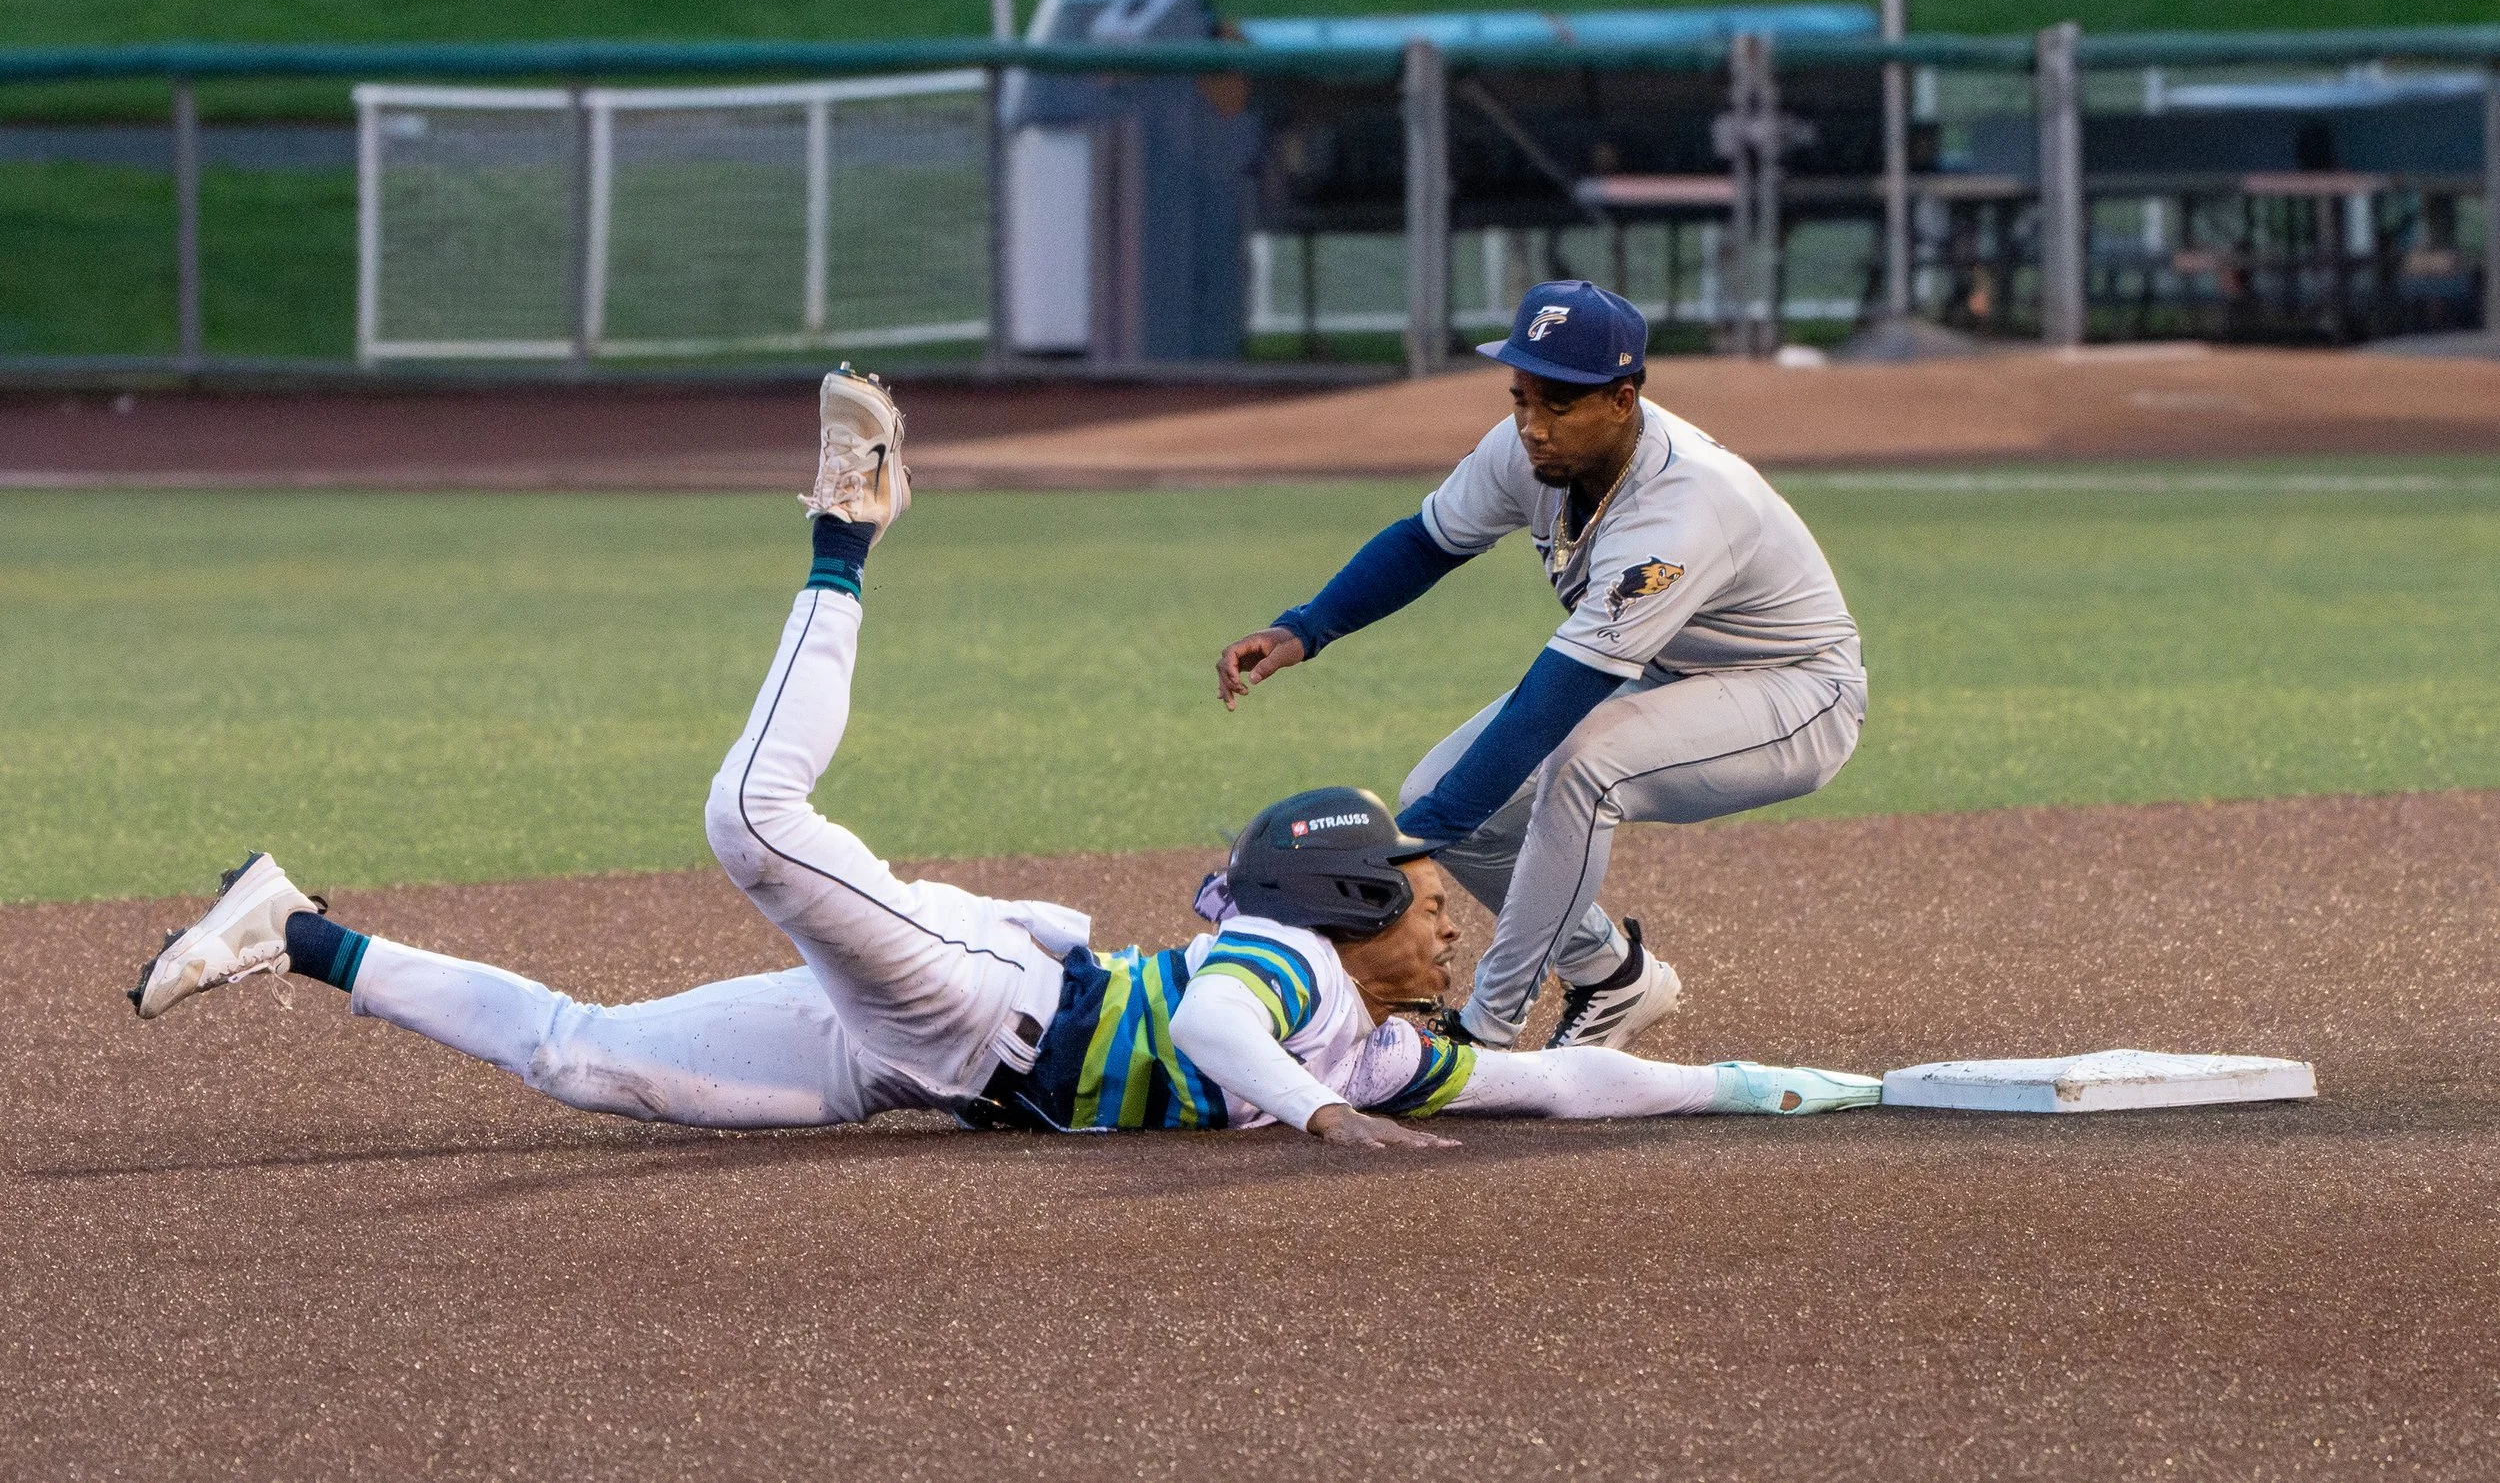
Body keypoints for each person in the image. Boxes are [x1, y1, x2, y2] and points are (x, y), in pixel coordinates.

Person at [130, 367, 1880, 1146]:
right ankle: (848, 530)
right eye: (1422, 906)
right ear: (1338, 907)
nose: (1442, 931)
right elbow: (1207, 1028)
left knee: (588, 1069)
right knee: (750, 818)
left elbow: (1567, 1088)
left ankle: (293, 930)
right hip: (977, 1005)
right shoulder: (1280, 976)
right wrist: (1305, 1121)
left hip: (928, 1063)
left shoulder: (1375, 1048)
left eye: (1446, 919)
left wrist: (1762, 1090)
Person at [1216, 281, 1866, 1055]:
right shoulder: (1525, 448)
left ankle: (1488, 1031)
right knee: (1437, 792)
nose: (1532, 426)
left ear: (1623, 399)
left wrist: (1415, 840)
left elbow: (1558, 697)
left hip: (1794, 693)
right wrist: (1307, 626)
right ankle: (1609, 974)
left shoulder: (1685, 505)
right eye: (1521, 396)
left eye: (1558, 404)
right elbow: (1428, 541)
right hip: (1664, 670)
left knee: (1584, 767)